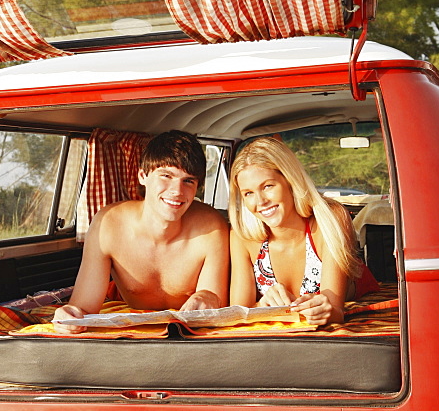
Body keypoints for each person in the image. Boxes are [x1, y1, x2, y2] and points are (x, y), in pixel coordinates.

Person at [53, 130, 230, 333]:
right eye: (166, 176)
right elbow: (83, 309)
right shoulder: (108, 224)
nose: (177, 191)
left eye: (188, 181)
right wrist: (68, 315)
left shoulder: (212, 226)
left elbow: (215, 302)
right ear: (143, 176)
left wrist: (207, 297)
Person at [228, 136, 361, 327]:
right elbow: (237, 315)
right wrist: (261, 307)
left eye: (267, 186)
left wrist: (326, 310)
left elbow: (335, 310)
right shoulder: (242, 236)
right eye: (248, 193)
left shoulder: (330, 218)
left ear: (290, 181)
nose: (260, 201)